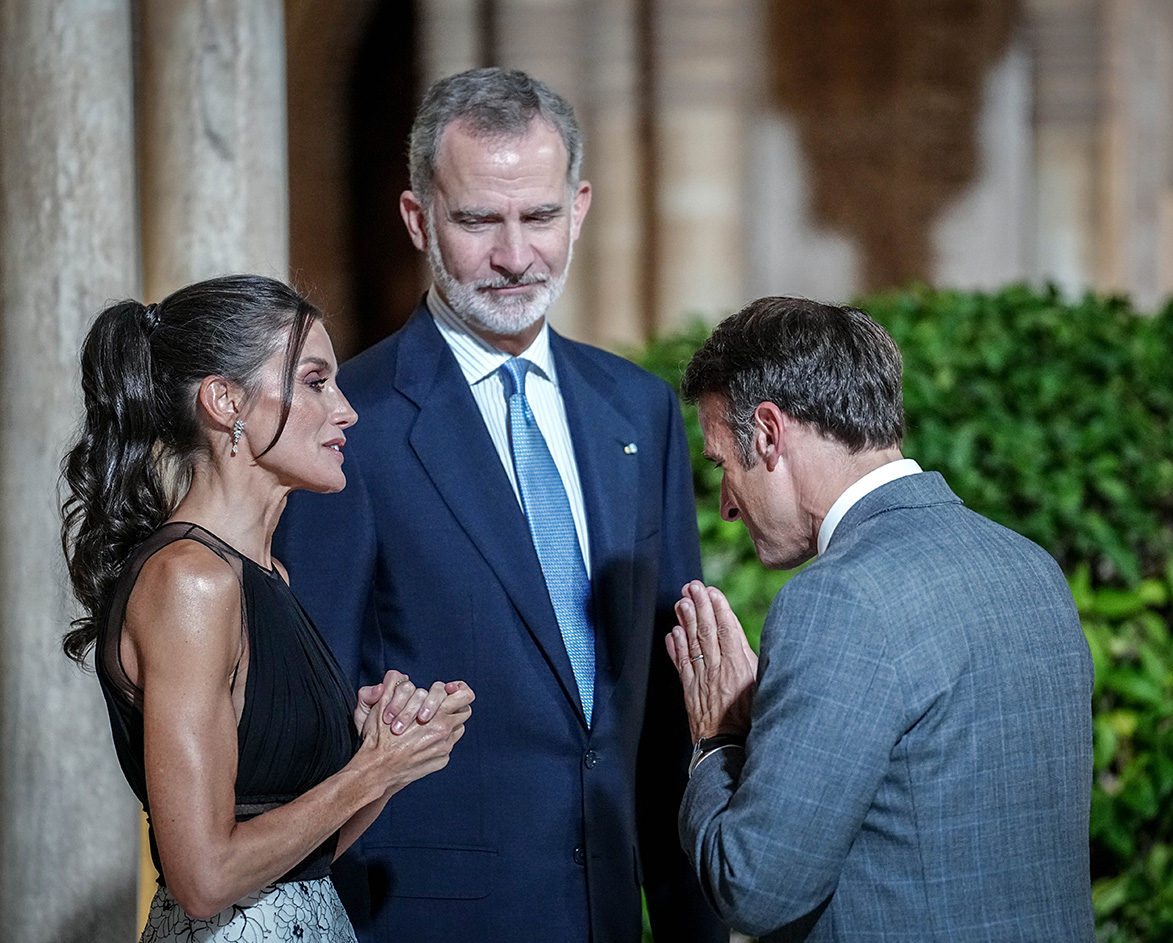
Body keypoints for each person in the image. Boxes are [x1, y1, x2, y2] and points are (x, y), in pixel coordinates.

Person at [275, 68, 725, 942]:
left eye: (541, 217)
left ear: (581, 205)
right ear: (418, 219)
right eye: (479, 220)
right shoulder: (346, 428)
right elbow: (319, 716)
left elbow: (668, 704)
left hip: (613, 914)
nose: (516, 256)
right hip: (424, 920)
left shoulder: (638, 408)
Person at [665, 295, 1095, 941]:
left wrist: (716, 739)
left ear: (772, 434)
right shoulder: (1032, 567)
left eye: (723, 463)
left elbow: (753, 888)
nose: (726, 503)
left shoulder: (836, 600)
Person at [60, 275, 474, 942]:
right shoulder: (189, 581)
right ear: (226, 401)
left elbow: (304, 857)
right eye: (314, 381)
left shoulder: (266, 573)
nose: (346, 410)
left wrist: (391, 754)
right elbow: (203, 879)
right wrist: (370, 769)